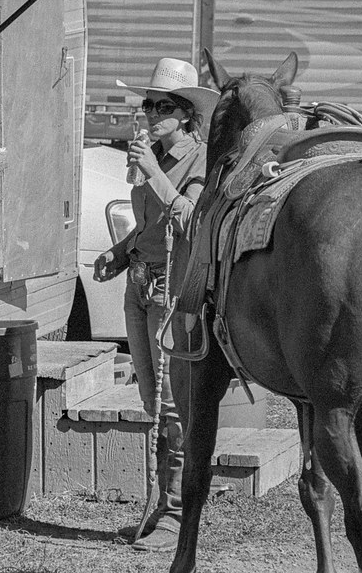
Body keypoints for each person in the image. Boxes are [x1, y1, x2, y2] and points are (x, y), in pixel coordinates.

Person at [93, 58, 218, 552]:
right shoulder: (154, 157)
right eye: (147, 104)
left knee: (173, 405)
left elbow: (189, 220)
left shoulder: (200, 160)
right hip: (141, 285)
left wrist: (151, 172)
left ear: (186, 114)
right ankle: (160, 505)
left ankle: (176, 516)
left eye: (161, 105)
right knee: (151, 401)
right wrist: (120, 252)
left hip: (172, 290)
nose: (149, 112)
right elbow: (149, 228)